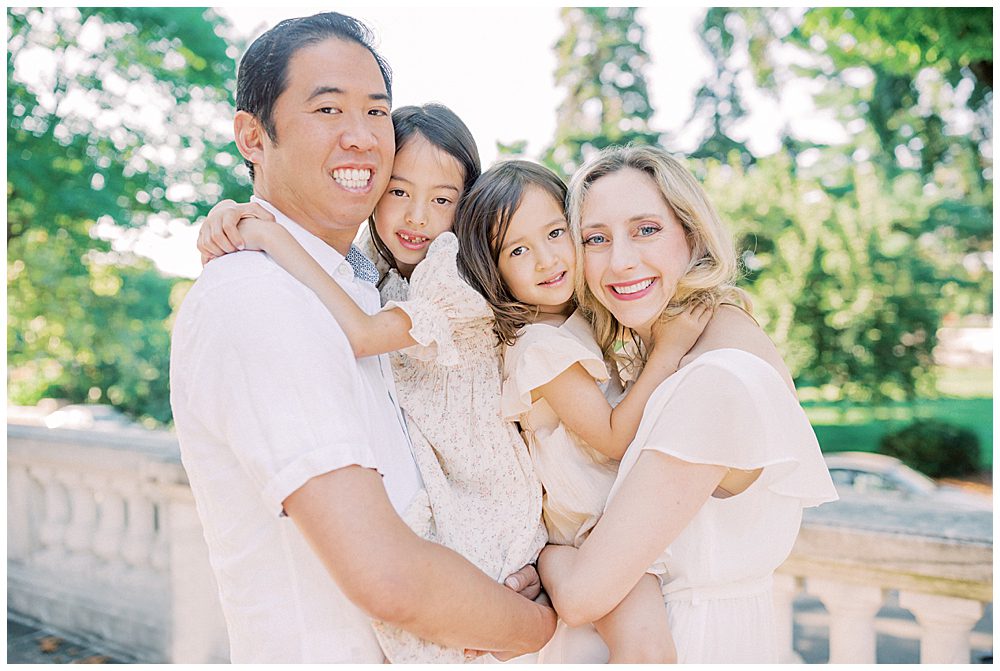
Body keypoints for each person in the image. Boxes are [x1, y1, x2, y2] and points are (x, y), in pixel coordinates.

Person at [200, 159, 708, 663]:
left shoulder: (574, 324)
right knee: (647, 652)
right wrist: (670, 349)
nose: (546, 260)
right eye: (517, 250)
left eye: (557, 234)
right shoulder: (539, 345)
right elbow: (615, 437)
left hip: (591, 520)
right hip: (588, 524)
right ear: (491, 266)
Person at [169, 13, 554, 663]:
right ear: (252, 136)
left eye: (376, 112)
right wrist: (538, 628)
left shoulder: (367, 286)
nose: (359, 136)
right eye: (327, 108)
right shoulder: (262, 300)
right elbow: (390, 578)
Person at [536, 144, 839, 663]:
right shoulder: (689, 351)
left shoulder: (715, 380)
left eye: (646, 229)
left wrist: (543, 552)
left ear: (691, 233)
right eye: (596, 239)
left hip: (696, 645)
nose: (621, 260)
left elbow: (585, 593)